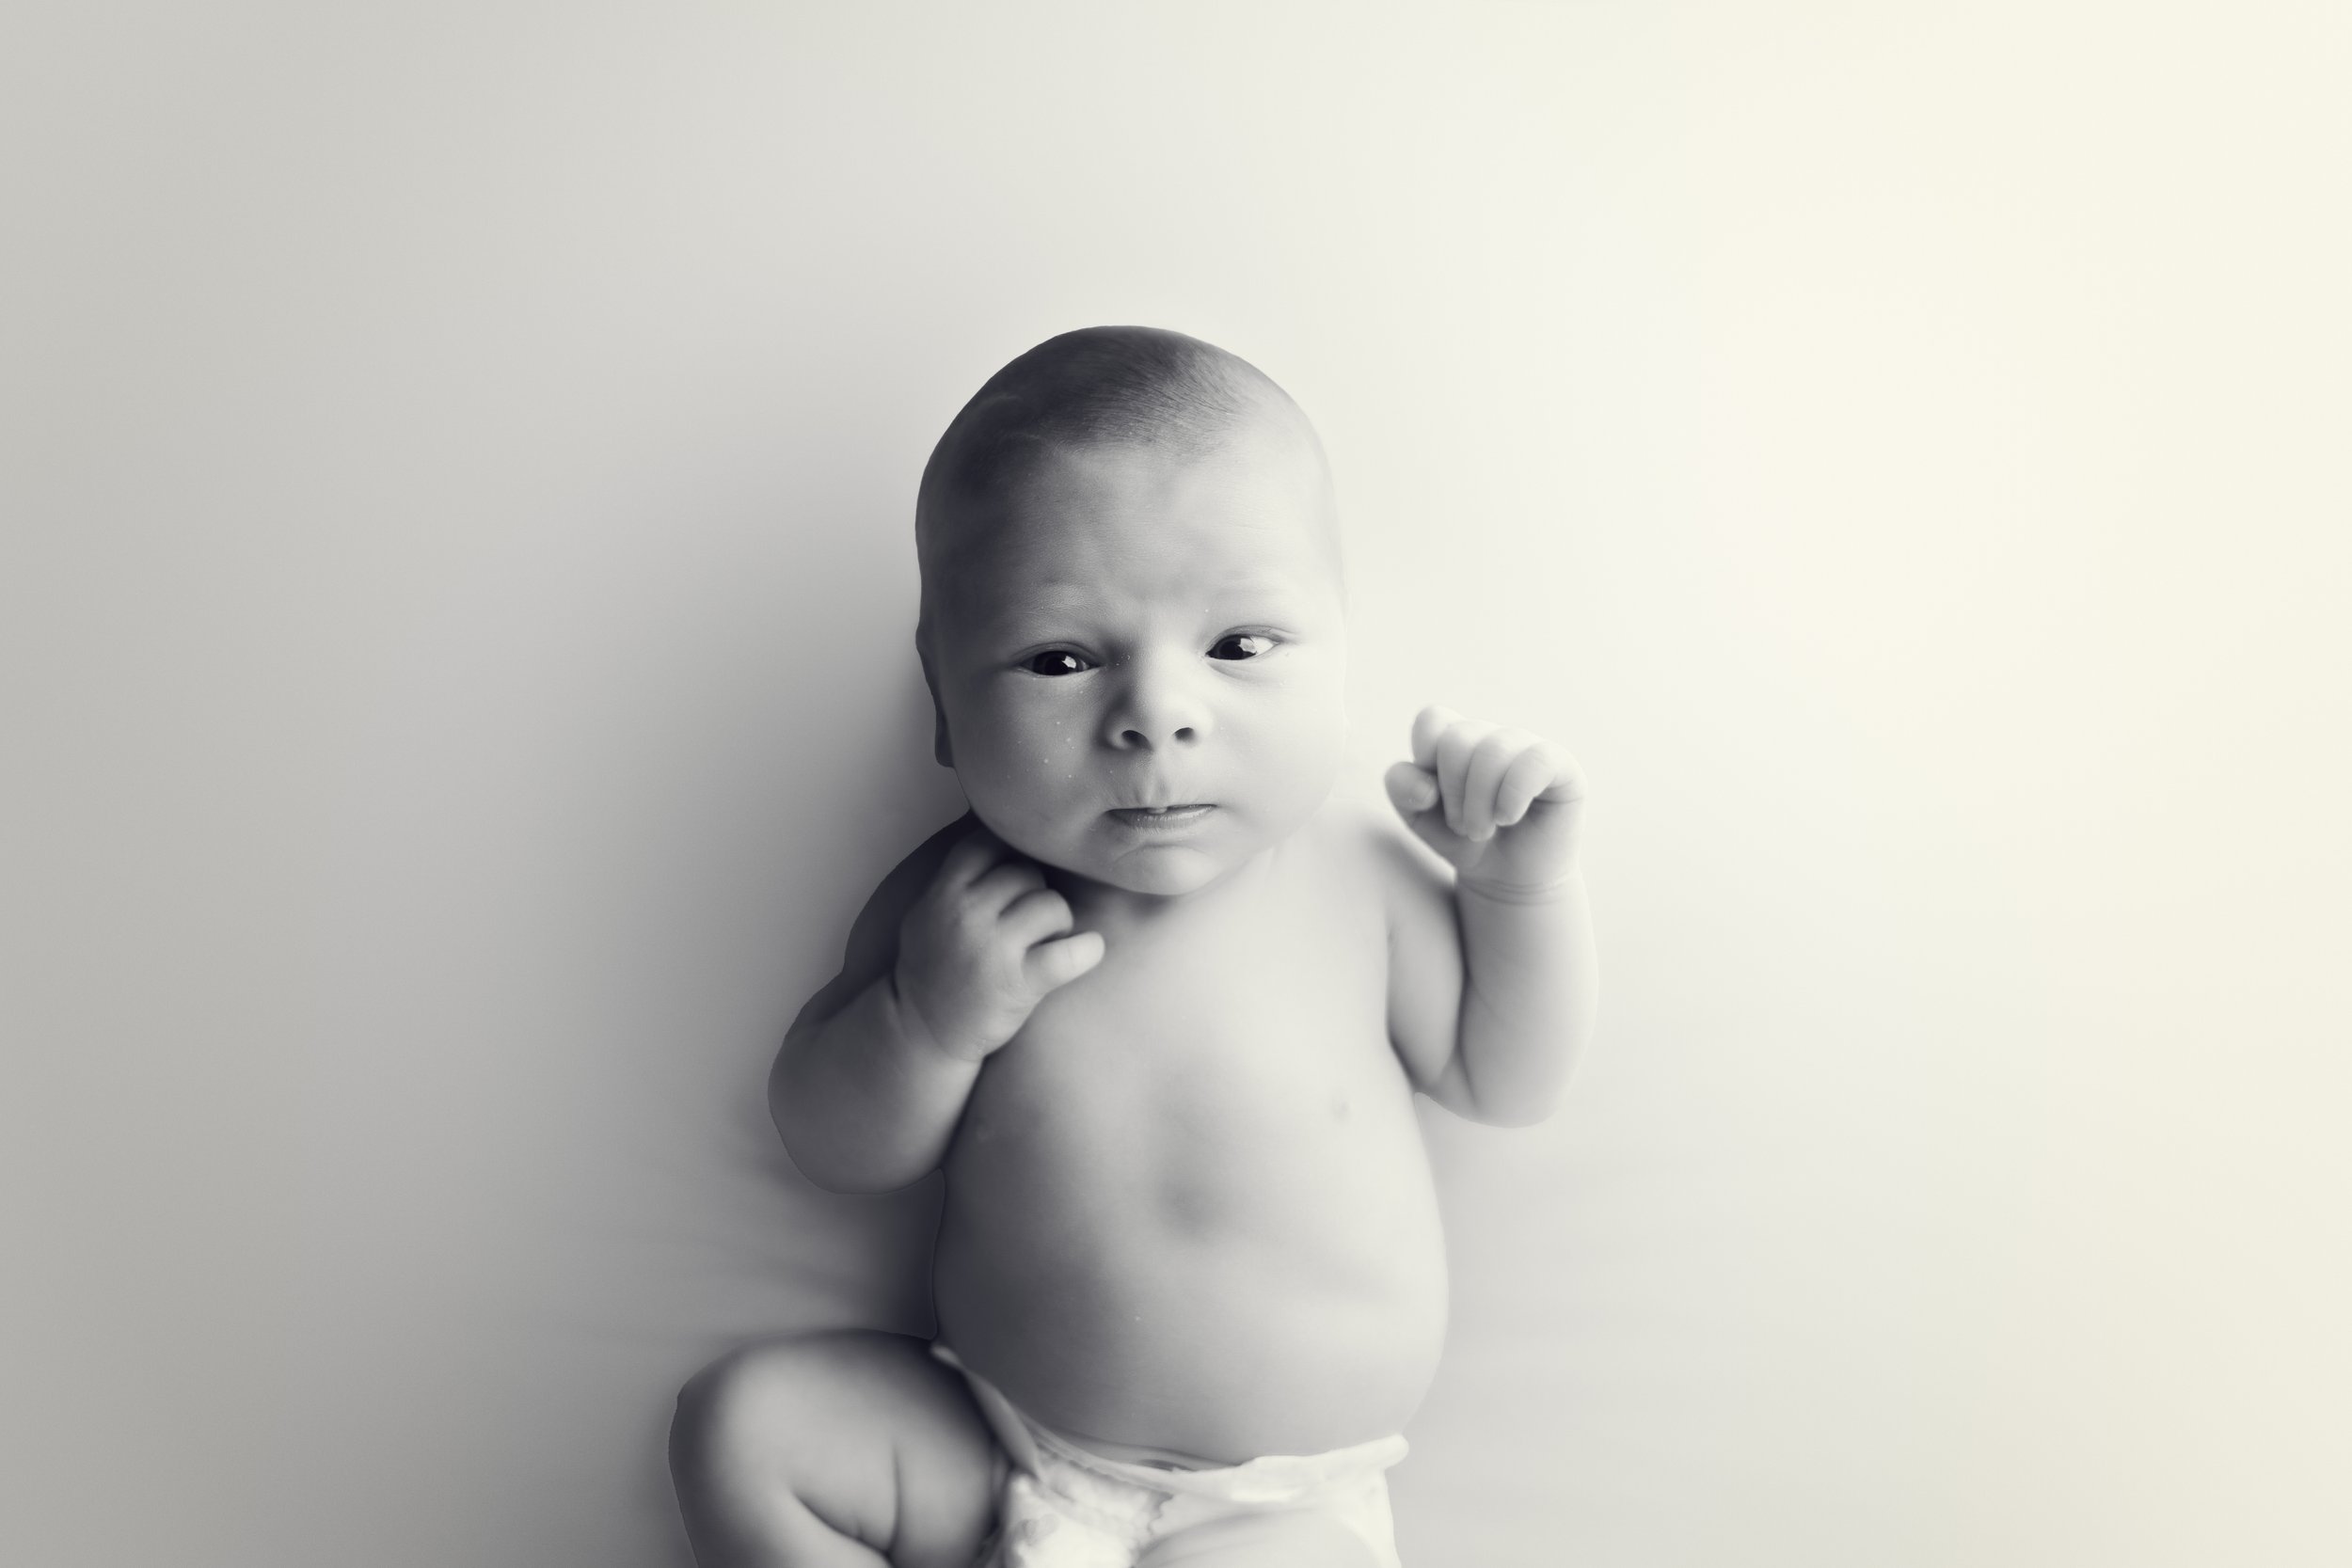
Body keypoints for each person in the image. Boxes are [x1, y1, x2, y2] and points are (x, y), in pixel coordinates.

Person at [671, 325, 1597, 1567]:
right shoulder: (957, 907)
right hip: (1000, 1446)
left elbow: (1508, 1079)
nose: (1156, 716)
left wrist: (1519, 895)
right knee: (747, 1427)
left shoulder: (1359, 880)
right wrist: (927, 1023)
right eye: (1061, 660)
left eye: (1237, 647)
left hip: (1273, 1510)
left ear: (1339, 646)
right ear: (945, 699)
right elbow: (834, 1146)